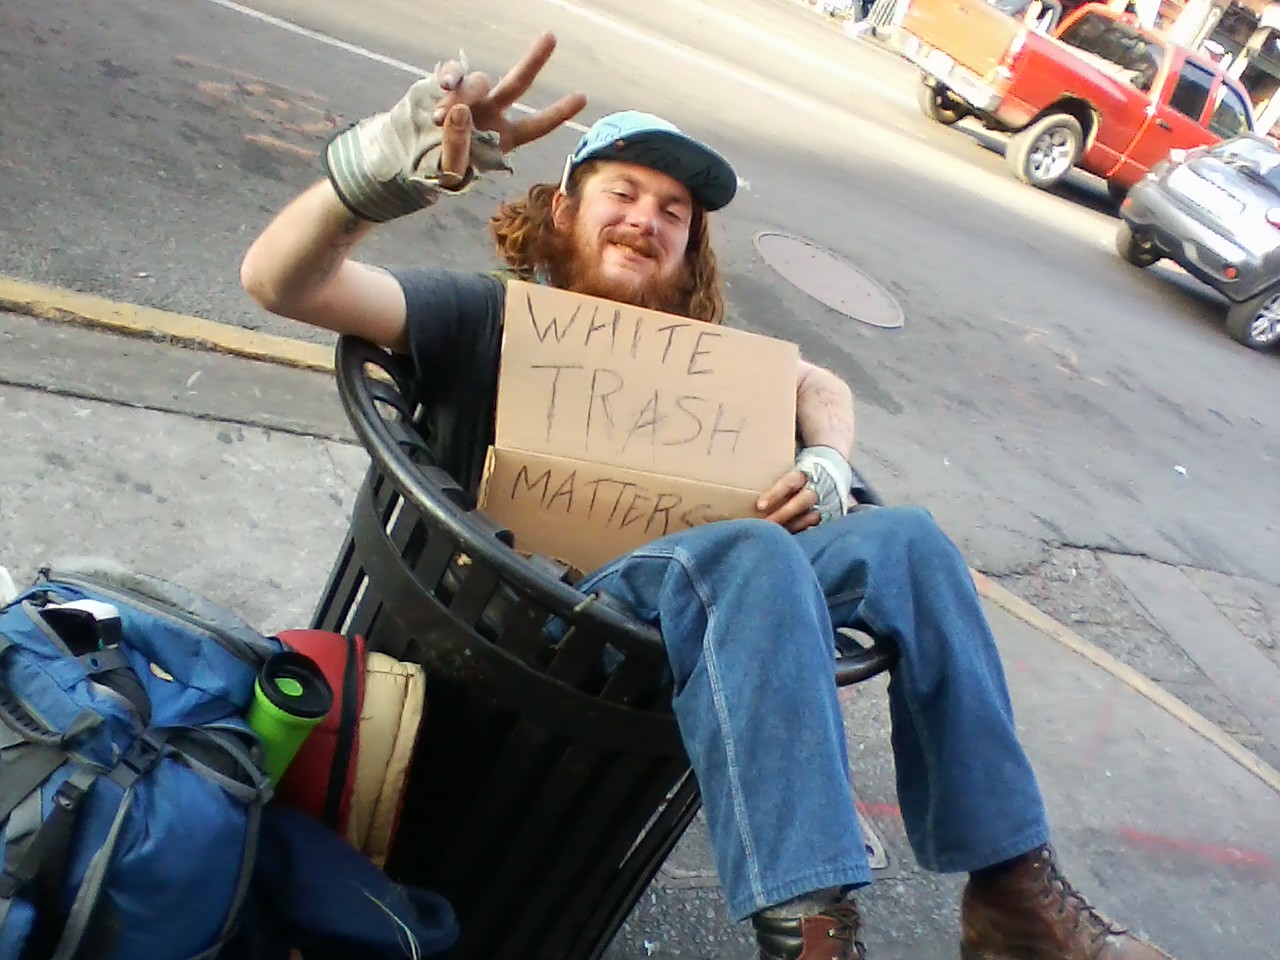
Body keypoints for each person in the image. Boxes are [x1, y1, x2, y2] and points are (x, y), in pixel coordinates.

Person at [241, 33, 1174, 960]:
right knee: (753, 551)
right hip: (521, 617)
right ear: (562, 211)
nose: (645, 220)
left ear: (689, 251)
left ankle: (1010, 892)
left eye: (673, 212)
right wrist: (373, 173)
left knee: (911, 543)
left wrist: (827, 463)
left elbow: (821, 386)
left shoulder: (708, 365)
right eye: (622, 193)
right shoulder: (489, 313)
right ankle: (811, 936)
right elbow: (282, 282)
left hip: (686, 631)